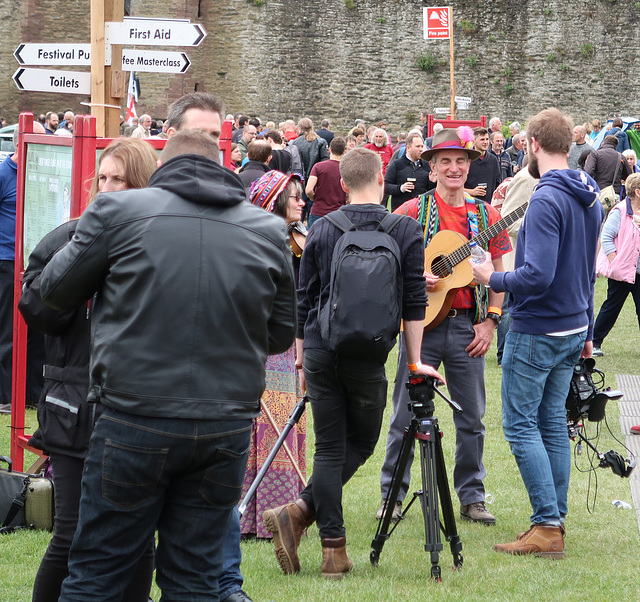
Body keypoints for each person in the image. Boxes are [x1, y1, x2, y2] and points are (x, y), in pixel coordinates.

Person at [41, 104, 296, 600]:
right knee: (195, 578)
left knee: (97, 572)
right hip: (223, 422)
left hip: (135, 415)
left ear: (162, 167)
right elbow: (280, 335)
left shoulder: (117, 212)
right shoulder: (266, 231)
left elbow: (53, 292)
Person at [262, 147, 443, 579]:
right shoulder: (405, 229)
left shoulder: (322, 228)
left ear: (342, 184)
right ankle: (308, 523)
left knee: (328, 447)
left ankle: (325, 541)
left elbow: (307, 296)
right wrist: (415, 360)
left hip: (324, 348)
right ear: (382, 180)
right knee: (360, 444)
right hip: (370, 353)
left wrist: (303, 352)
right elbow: (414, 301)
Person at [22, 138, 158, 602]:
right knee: (71, 534)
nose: (106, 187)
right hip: (72, 405)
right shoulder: (68, 238)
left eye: (118, 178)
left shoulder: (157, 240)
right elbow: (34, 308)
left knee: (138, 539)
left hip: (138, 407)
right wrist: (75, 278)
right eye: (102, 177)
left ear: (141, 182)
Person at [471, 107, 603, 558]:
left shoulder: (548, 197)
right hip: (571, 327)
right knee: (551, 423)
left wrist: (492, 278)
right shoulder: (588, 193)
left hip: (539, 328)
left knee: (522, 425)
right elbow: (587, 272)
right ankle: (554, 522)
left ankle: (547, 524)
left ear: (531, 144)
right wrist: (587, 328)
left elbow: (538, 275)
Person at [378, 127, 510, 525]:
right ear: (432, 169)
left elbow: (500, 273)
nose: (454, 169)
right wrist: (417, 275)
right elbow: (383, 261)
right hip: (422, 327)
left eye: (461, 162)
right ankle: (392, 497)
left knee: (471, 417)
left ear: (470, 167)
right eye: (445, 162)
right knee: (404, 415)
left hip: (468, 327)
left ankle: (472, 496)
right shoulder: (411, 212)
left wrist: (491, 322)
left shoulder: (486, 216)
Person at [241, 170, 307, 539]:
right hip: (261, 342)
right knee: (258, 428)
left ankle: (278, 512)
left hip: (287, 345)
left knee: (281, 425)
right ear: (273, 202)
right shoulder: (257, 241)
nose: (301, 201)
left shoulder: (300, 239)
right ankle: (248, 516)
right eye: (294, 196)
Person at [0, 121, 46, 415]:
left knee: (39, 329)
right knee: (8, 330)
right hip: (7, 262)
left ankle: (31, 392)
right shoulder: (4, 174)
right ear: (20, 143)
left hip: (39, 262)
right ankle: (5, 394)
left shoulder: (42, 172)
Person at [592, 172, 640, 358]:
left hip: (638, 271)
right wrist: (615, 260)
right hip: (621, 272)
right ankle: (595, 342)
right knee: (612, 306)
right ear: (637, 191)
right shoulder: (620, 211)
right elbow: (606, 237)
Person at [305, 136, 347, 226]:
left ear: (329, 150)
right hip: (339, 213)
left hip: (319, 211)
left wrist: (313, 197)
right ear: (344, 151)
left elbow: (308, 190)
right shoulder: (347, 169)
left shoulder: (318, 167)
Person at [384, 132, 430, 211]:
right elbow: (385, 186)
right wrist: (401, 188)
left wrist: (432, 182)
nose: (421, 149)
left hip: (421, 212)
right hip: (401, 212)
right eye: (417, 146)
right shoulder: (396, 165)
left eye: (422, 146)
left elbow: (430, 190)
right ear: (408, 148)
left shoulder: (426, 165)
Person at [465, 127, 501, 202]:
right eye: (482, 139)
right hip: (469, 204)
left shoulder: (493, 160)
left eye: (487, 139)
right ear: (473, 141)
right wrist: (472, 192)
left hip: (489, 206)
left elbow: (498, 183)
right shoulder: (466, 160)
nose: (485, 142)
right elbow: (455, 187)